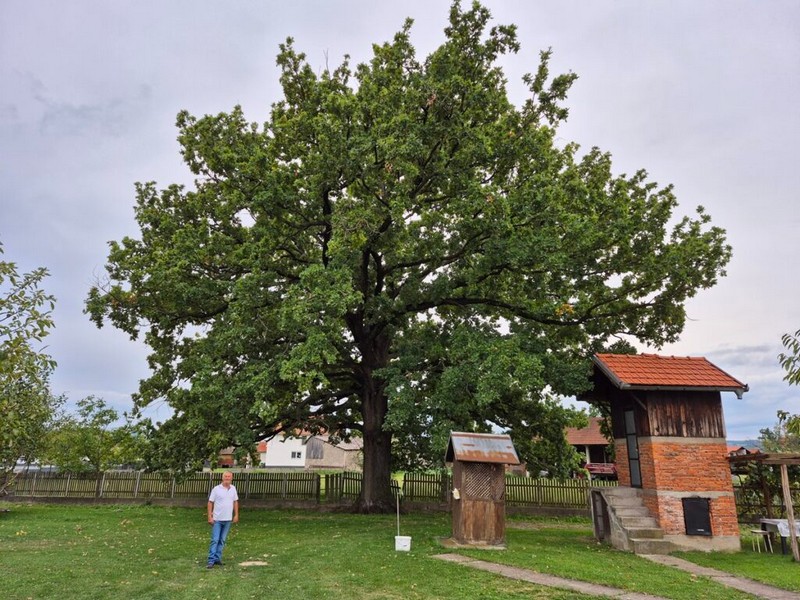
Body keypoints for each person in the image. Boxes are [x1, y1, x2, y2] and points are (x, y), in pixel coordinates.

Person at [206, 471, 239, 568]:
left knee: (222, 540)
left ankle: (217, 558)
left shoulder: (233, 488)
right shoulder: (216, 489)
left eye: (229, 476)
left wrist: (236, 515)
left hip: (228, 519)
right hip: (217, 519)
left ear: (231, 478)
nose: (227, 478)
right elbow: (210, 502)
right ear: (222, 478)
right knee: (215, 540)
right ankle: (211, 560)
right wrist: (209, 516)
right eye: (226, 476)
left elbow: (235, 502)